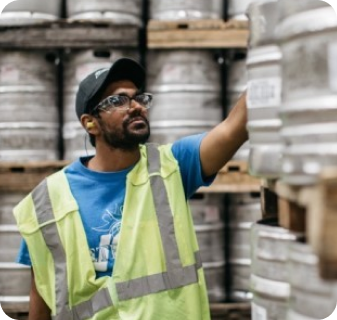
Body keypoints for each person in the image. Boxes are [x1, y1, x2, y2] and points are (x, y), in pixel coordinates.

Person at [13, 57, 248, 320]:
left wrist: (271, 58)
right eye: (118, 101)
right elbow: (42, 298)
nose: (136, 107)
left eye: (139, 98)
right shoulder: (48, 200)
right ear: (90, 122)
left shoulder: (172, 166)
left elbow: (233, 128)